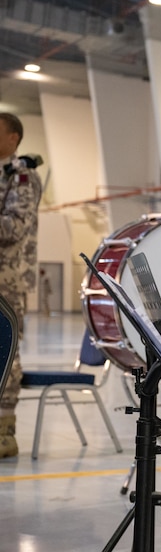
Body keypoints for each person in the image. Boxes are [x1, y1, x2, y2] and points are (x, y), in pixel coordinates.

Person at [0, 113, 43, 459]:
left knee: (5, 353)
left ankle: (4, 431)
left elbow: (14, 228)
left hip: (7, 280)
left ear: (14, 137)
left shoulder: (22, 176)